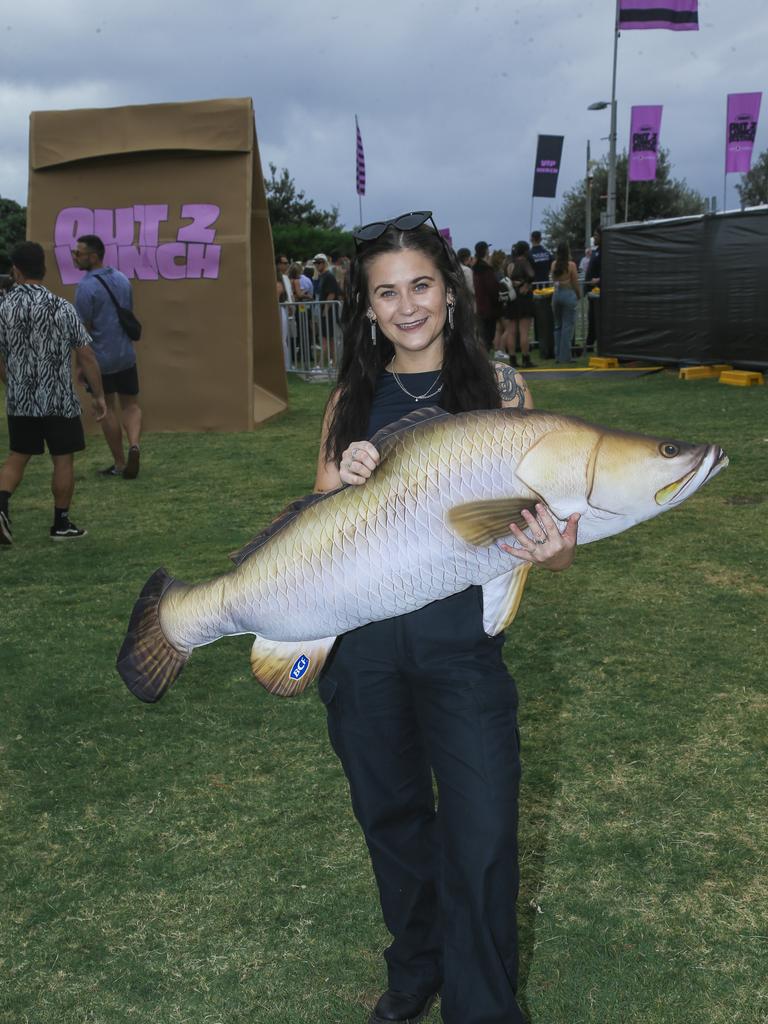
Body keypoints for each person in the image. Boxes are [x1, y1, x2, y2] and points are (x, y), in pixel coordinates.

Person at [314, 212, 579, 1024]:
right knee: (391, 820)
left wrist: (551, 552)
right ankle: (417, 964)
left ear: (451, 292)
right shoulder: (352, 398)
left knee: (484, 832)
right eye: (386, 292)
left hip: (462, 651)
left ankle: (484, 1007)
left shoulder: (500, 389)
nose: (406, 306)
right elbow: (314, 520)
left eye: (420, 285)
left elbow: (555, 533)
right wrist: (345, 479)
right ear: (366, 308)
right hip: (363, 654)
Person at [0, 241, 106, 545]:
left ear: (16, 270)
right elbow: (86, 355)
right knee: (63, 459)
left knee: (17, 456)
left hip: (21, 399)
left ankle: (1, 505)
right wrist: (98, 395)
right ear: (43, 269)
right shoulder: (61, 306)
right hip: (59, 398)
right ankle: (61, 523)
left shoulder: (4, 307)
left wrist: (8, 378)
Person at [73, 234, 142, 479]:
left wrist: (79, 364)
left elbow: (81, 331)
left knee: (105, 407)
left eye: (78, 253)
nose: (74, 257)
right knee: (131, 404)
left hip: (100, 359)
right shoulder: (122, 279)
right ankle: (134, 444)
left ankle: (120, 463)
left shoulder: (85, 287)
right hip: (126, 355)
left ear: (93, 256)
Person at [502, 241, 536, 368]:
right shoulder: (523, 262)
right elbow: (532, 275)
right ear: (525, 250)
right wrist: (526, 284)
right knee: (524, 332)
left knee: (511, 331)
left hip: (510, 298)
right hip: (523, 298)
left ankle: (512, 359)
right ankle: (526, 359)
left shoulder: (508, 263)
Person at [550, 241, 582, 363]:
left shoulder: (553, 264)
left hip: (556, 295)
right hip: (568, 295)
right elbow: (575, 283)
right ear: (568, 251)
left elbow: (553, 280)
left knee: (558, 326)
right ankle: (565, 357)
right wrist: (578, 295)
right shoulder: (571, 265)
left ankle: (558, 356)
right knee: (567, 326)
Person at [471, 240, 500, 353]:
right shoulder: (486, 269)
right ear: (486, 251)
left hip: (478, 305)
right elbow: (492, 288)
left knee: (482, 335)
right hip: (489, 307)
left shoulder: (474, 268)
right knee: (488, 336)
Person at [585, 225, 602, 350]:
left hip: (600, 292)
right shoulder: (596, 251)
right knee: (592, 318)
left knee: (597, 319)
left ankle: (593, 343)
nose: (594, 238)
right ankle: (590, 343)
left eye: (596, 235)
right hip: (592, 292)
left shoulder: (605, 251)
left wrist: (599, 279)